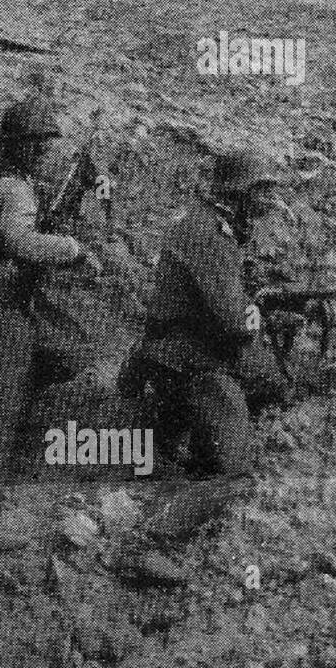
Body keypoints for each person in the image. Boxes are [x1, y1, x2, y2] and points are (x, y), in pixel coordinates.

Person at [0, 96, 102, 544]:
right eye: (40, 145)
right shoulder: (13, 191)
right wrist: (71, 249)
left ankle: (30, 423)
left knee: (67, 351)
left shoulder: (0, 182)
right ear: (26, 147)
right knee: (6, 396)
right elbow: (20, 242)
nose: (46, 153)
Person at [119, 150, 289, 483]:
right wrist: (261, 313)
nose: (269, 199)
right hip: (187, 358)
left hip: (196, 344)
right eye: (262, 190)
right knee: (232, 471)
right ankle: (181, 444)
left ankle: (187, 431)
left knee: (274, 384)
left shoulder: (210, 223)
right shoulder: (209, 235)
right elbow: (235, 325)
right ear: (239, 191)